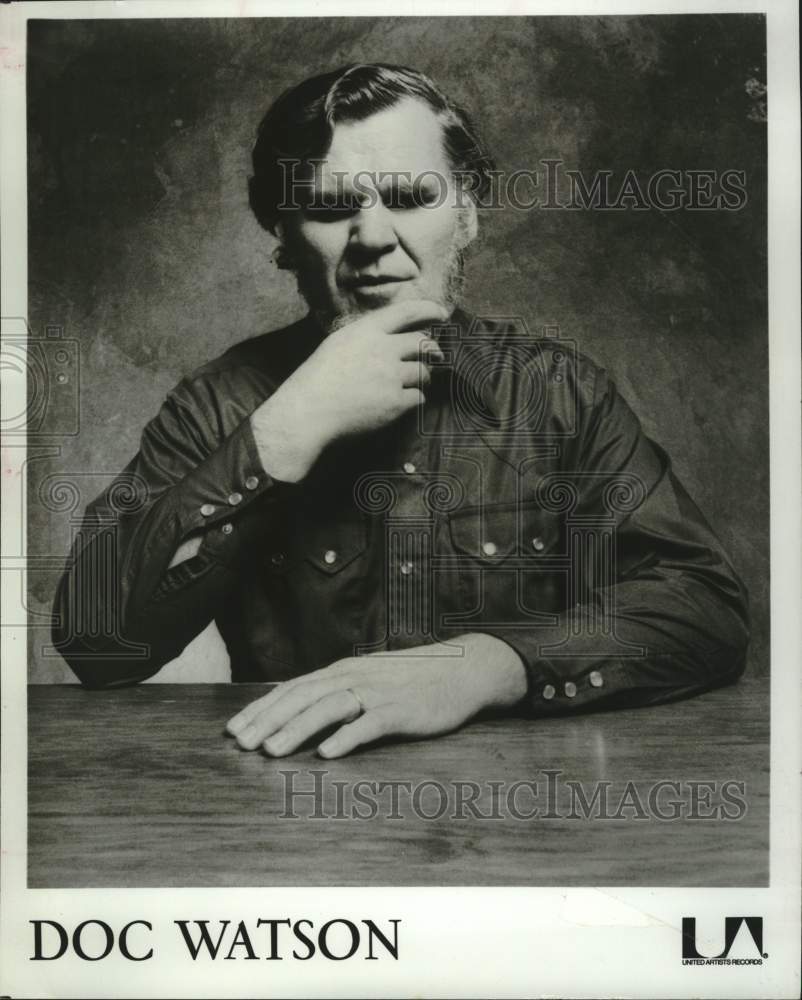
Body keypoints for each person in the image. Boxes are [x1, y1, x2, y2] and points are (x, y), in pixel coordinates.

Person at [52, 63, 749, 760]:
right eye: (329, 208)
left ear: (468, 214)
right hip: (300, 817)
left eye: (412, 196)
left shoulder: (559, 392)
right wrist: (283, 433)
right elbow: (98, 645)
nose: (373, 239)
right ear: (282, 233)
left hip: (525, 816)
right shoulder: (220, 402)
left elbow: (705, 605)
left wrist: (487, 664)